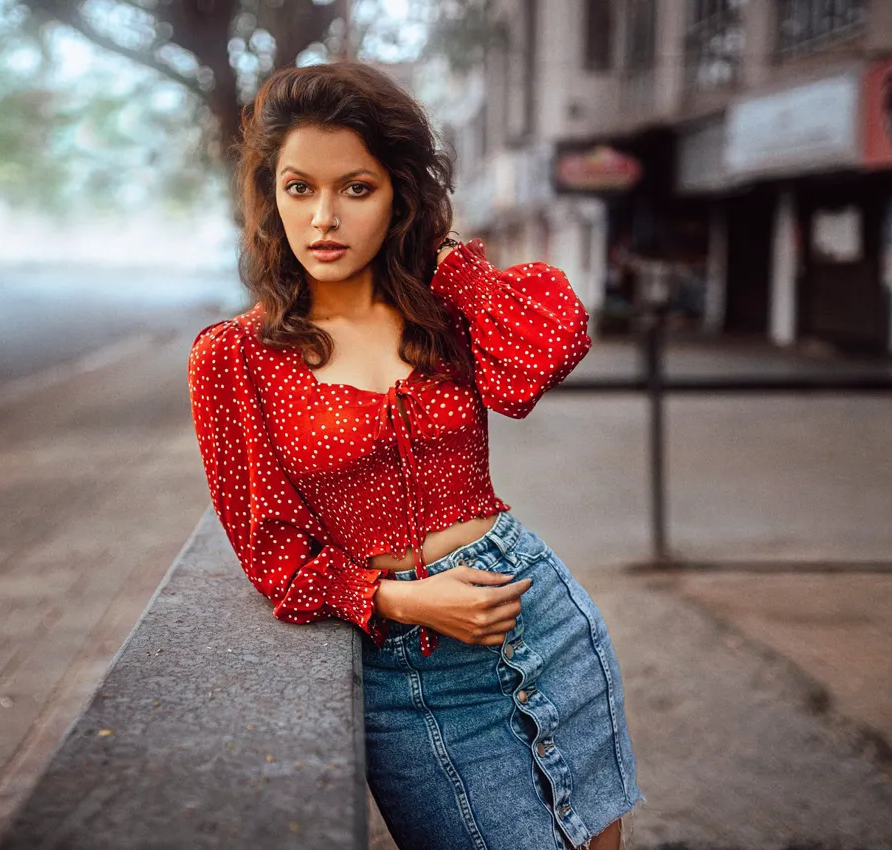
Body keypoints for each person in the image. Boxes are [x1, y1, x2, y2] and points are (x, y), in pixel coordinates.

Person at [187, 62, 643, 850]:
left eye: (356, 188)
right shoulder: (234, 360)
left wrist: (450, 260)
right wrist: (403, 601)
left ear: (399, 193)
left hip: (544, 619)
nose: (323, 217)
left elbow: (546, 352)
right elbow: (272, 556)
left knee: (602, 839)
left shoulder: (441, 313)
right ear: (270, 196)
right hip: (412, 672)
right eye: (300, 188)